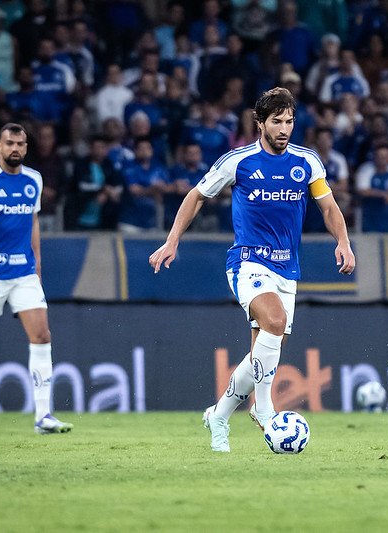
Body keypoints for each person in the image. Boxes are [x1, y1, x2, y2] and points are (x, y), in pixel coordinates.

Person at [148, 87, 355, 453]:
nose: (284, 129)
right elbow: (196, 195)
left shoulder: (307, 162)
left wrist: (343, 241)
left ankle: (219, 414)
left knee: (264, 349)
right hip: (247, 261)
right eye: (277, 121)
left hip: (287, 269)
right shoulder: (238, 161)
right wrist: (172, 240)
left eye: (289, 121)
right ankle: (263, 407)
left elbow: (328, 207)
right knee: (273, 323)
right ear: (259, 123)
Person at [0, 123, 73, 436]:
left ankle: (43, 416)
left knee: (42, 336)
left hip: (24, 273)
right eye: (9, 143)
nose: (15, 149)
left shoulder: (33, 179)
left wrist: (37, 261)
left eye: (20, 144)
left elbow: (32, 221)